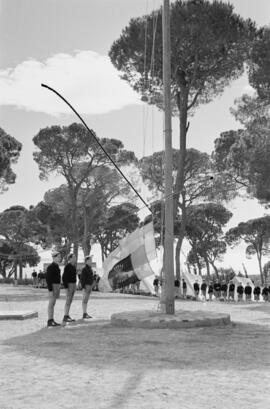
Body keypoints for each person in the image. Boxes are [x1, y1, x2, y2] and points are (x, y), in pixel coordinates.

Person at [46, 251, 62, 327]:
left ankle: (52, 320)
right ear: (54, 257)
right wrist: (50, 290)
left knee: (53, 304)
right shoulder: (50, 267)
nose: (60, 258)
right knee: (51, 304)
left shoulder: (57, 266)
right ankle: (50, 320)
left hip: (56, 286)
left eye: (60, 257)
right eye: (58, 257)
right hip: (52, 287)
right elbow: (48, 280)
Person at [62, 253, 77, 323]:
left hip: (73, 285)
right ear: (70, 259)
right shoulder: (67, 266)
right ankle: (65, 316)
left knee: (70, 301)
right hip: (69, 285)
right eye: (73, 257)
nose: (75, 258)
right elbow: (64, 277)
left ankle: (67, 315)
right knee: (68, 301)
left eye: (75, 257)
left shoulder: (73, 266)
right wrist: (66, 287)